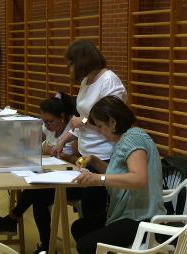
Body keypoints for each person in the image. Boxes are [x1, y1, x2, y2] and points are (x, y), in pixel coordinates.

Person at [0, 91, 80, 254]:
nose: (47, 126)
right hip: (54, 174)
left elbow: (79, 160)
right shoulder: (48, 126)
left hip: (73, 181)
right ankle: (44, 244)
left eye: (50, 122)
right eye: (44, 121)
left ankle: (16, 222)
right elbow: (32, 143)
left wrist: (63, 155)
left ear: (63, 117)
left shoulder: (74, 131)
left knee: (38, 195)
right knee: (37, 191)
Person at [71, 95, 166, 253]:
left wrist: (99, 179)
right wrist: (94, 161)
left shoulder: (132, 139)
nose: (100, 131)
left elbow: (138, 178)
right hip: (130, 214)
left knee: (86, 244)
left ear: (113, 122)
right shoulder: (126, 139)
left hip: (141, 218)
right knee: (81, 228)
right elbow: (119, 174)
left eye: (101, 126)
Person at [51, 39, 127, 229]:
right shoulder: (86, 81)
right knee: (85, 207)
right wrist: (63, 139)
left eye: (71, 64)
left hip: (104, 155)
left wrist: (83, 122)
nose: (70, 69)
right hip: (86, 154)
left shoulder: (109, 80)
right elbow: (82, 118)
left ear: (82, 61)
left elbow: (112, 121)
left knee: (93, 207)